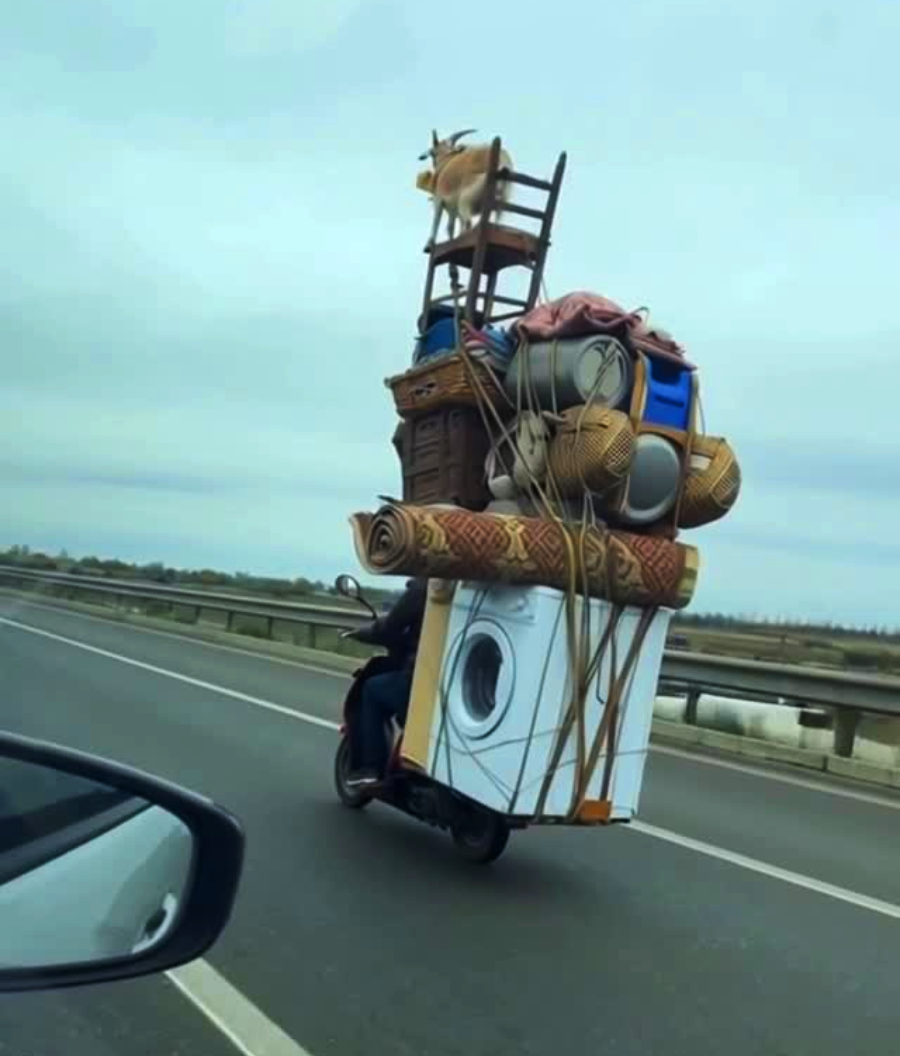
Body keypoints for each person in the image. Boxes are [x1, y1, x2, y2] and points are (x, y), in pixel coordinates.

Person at [346, 577, 427, 789]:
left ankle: (370, 769)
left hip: (420, 680)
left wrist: (363, 632)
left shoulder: (425, 587)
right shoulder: (474, 585)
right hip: (455, 682)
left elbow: (392, 626)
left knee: (372, 688)